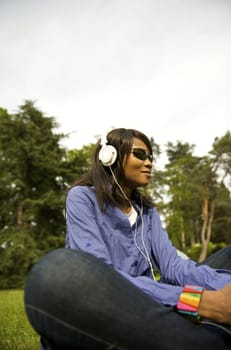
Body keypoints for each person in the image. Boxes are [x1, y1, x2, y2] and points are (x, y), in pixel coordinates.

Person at [24, 128, 231, 350]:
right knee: (54, 272)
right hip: (114, 305)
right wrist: (198, 301)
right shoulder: (81, 197)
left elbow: (173, 266)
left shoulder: (147, 211)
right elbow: (105, 279)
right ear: (109, 157)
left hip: (153, 301)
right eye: (140, 154)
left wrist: (223, 287)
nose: (149, 162)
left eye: (151, 156)